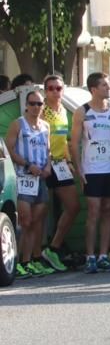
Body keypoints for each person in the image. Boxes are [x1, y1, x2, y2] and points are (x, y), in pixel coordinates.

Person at [70, 72, 110, 274]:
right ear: (93, 89)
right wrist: (79, 170)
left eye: (108, 84)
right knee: (94, 212)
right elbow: (74, 142)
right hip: (92, 168)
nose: (108, 88)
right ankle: (90, 256)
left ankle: (104, 254)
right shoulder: (82, 112)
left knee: (109, 211)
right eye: (104, 85)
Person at [6, 88, 54, 279]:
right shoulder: (18, 124)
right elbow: (9, 149)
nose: (36, 107)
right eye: (32, 104)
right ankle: (20, 262)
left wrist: (48, 166)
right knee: (25, 220)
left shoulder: (45, 126)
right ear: (26, 105)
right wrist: (27, 164)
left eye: (39, 104)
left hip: (40, 178)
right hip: (24, 177)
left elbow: (48, 150)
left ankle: (33, 259)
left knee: (38, 220)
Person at [39, 74, 78, 272]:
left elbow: (64, 140)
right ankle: (34, 256)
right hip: (43, 165)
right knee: (40, 212)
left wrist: (69, 160)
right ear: (45, 91)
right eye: (51, 88)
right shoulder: (41, 109)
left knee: (73, 207)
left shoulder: (63, 110)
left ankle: (53, 247)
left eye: (58, 88)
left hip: (60, 164)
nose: (55, 91)